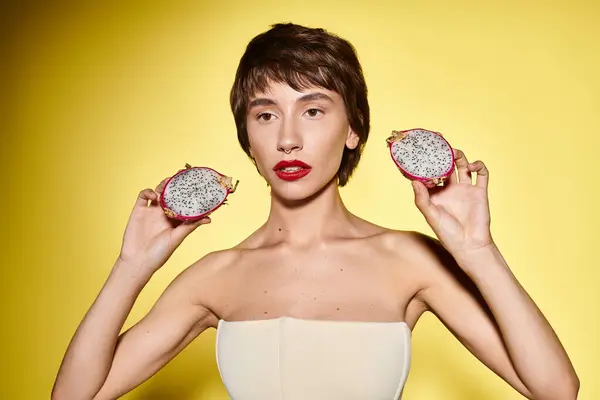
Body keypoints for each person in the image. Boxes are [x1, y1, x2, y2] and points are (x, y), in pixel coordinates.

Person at [52, 23, 579, 400]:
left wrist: (477, 251)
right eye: (265, 115)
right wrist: (131, 266)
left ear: (352, 130)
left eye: (312, 110)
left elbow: (556, 389)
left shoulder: (412, 260)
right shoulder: (213, 277)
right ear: (249, 140)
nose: (287, 138)